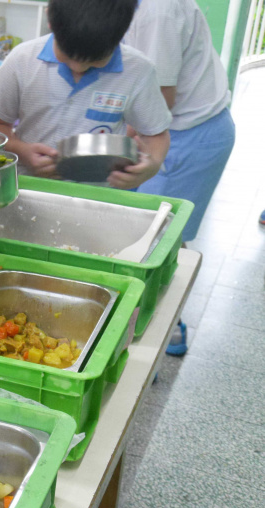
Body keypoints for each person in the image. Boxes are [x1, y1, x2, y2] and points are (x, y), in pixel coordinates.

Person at [123, 0, 236, 355]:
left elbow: (159, 98)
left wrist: (114, 139)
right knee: (144, 232)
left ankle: (162, 333)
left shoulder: (158, 10)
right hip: (170, 127)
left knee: (159, 240)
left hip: (187, 134)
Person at [0, 0, 171, 190]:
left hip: (99, 193)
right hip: (27, 185)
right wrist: (22, 152)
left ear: (123, 33)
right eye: (67, 56)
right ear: (51, 21)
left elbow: (156, 134)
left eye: (95, 61)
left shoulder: (138, 71)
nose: (78, 67)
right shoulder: (22, 59)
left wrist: (151, 166)